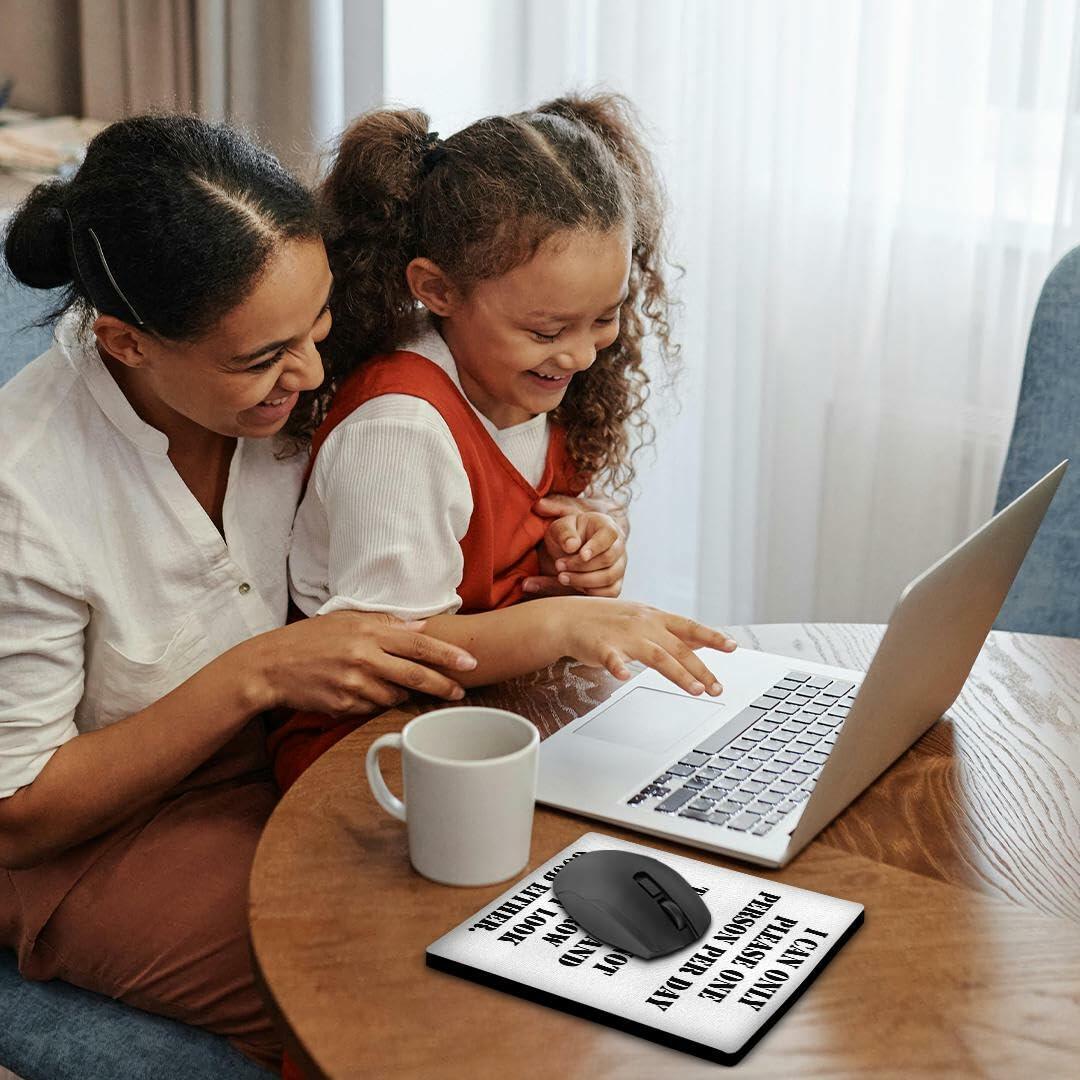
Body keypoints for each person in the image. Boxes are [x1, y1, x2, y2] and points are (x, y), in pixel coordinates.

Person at [0, 114, 476, 1071]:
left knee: (504, 926)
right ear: (126, 344)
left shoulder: (295, 385)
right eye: (260, 358)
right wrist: (257, 674)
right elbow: (19, 809)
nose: (307, 374)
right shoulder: (28, 490)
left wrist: (579, 523)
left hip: (291, 764)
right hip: (93, 841)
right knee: (387, 995)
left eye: (320, 327)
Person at [269, 93, 737, 793]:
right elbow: (399, 650)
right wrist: (565, 625)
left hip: (495, 717)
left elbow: (525, 520)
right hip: (368, 751)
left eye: (604, 319)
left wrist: (587, 542)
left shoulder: (522, 383)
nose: (581, 357)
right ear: (436, 289)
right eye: (549, 331)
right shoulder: (399, 431)